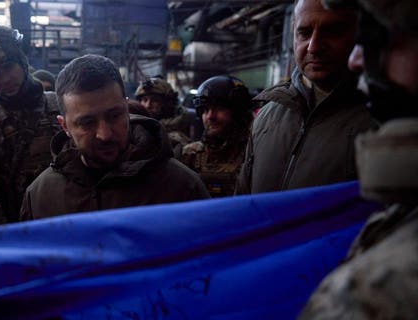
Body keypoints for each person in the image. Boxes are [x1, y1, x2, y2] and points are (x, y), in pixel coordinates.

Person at [299, 0, 418, 318]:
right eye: (303, 32)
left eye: (377, 36)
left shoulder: (378, 291)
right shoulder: (270, 115)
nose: (356, 60)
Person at [20, 54, 209, 220]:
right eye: (87, 122)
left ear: (126, 109)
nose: (105, 134)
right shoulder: (41, 197)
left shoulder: (181, 187)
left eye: (114, 116)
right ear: (65, 126)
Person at [235, 0, 376, 194]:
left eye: (331, 31)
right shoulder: (267, 117)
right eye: (304, 32)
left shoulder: (379, 122)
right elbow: (244, 201)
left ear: (359, 34)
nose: (313, 47)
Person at [0, 25, 61, 227]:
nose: (4, 79)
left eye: (8, 67)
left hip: (71, 218)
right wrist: (8, 236)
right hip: (19, 228)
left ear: (22, 61)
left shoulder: (59, 105)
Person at [181, 76, 253, 198]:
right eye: (205, 110)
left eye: (219, 108)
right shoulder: (190, 153)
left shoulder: (252, 153)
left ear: (238, 113)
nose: (210, 116)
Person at [134, 77, 195, 153]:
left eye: (154, 100)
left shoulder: (176, 138)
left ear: (167, 104)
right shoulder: (134, 126)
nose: (147, 105)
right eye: (144, 100)